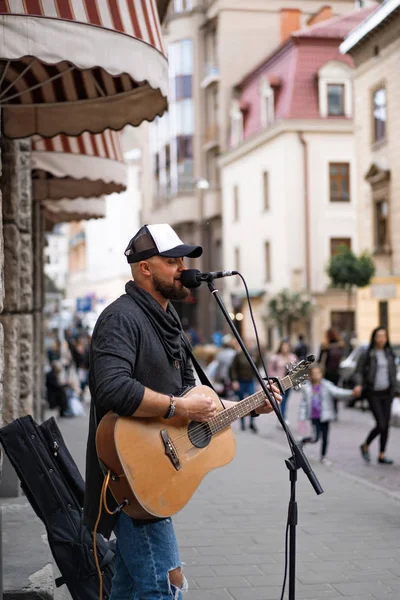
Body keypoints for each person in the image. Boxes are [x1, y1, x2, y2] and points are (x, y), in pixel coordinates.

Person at [83, 224, 282, 600]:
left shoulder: (170, 321)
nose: (182, 269)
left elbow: (193, 400)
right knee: (165, 586)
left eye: (182, 261)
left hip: (152, 479)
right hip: (129, 477)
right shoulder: (120, 318)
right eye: (172, 261)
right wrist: (178, 406)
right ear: (145, 268)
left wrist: (251, 405)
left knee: (129, 589)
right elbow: (112, 388)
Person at [355, 326, 398, 465]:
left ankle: (381, 454)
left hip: (388, 393)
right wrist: (359, 384)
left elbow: (393, 374)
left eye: (384, 336)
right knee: (381, 424)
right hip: (373, 393)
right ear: (374, 337)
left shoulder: (390, 353)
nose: (381, 339)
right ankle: (365, 445)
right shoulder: (368, 354)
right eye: (378, 336)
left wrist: (397, 390)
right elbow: (358, 371)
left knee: (386, 425)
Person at [299, 364, 358, 465]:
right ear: (310, 375)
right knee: (315, 437)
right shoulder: (307, 387)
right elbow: (304, 403)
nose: (316, 375)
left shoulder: (326, 385)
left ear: (322, 374)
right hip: (314, 416)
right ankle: (302, 441)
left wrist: (351, 393)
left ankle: (323, 456)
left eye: (318, 373)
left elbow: (337, 392)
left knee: (325, 438)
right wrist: (302, 417)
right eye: (314, 373)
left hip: (325, 416)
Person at [230, 343, 260, 433]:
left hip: (250, 381)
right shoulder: (238, 355)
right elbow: (233, 368)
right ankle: (242, 424)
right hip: (241, 381)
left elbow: (257, 369)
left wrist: (258, 382)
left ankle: (252, 423)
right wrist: (234, 381)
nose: (249, 346)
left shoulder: (253, 356)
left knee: (253, 402)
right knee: (241, 402)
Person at [318, 328, 345, 419]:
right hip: (337, 372)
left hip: (328, 372)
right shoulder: (340, 345)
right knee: (335, 391)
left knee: (326, 391)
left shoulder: (325, 346)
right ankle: (335, 410)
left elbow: (320, 360)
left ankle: (327, 410)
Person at [268, 340, 297, 424]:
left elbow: (296, 370)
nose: (285, 348)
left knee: (286, 401)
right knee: (282, 400)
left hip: (289, 383)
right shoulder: (275, 358)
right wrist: (274, 380)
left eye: (286, 346)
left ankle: (282, 417)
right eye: (283, 346)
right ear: (280, 347)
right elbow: (270, 371)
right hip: (279, 383)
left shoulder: (292, 357)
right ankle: (283, 418)